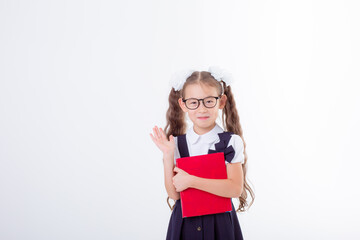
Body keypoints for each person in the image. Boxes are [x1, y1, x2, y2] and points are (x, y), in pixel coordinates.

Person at [150, 66, 254, 240]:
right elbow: (175, 194)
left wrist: (191, 181)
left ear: (221, 101)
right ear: (183, 105)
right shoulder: (176, 144)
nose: (202, 109)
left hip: (220, 223)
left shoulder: (230, 142)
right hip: (185, 223)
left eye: (209, 101)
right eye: (194, 102)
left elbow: (235, 188)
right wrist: (168, 156)